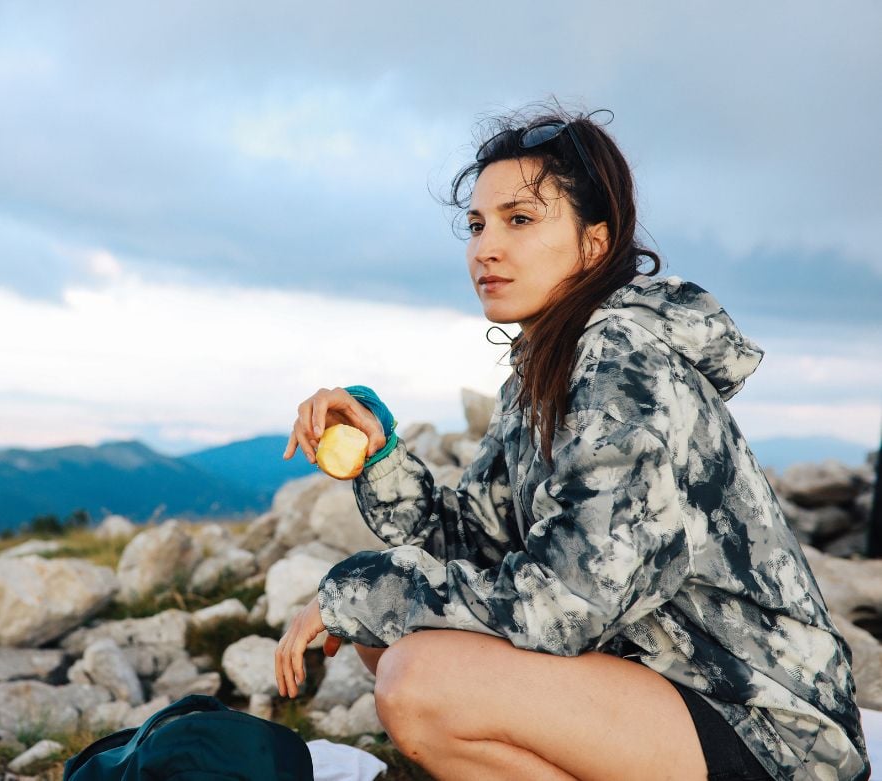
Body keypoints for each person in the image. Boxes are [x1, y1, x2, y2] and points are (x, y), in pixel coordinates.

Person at [275, 106, 870, 781]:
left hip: (764, 725)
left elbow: (565, 605)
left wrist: (360, 590)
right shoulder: (542, 369)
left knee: (419, 676)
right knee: (396, 640)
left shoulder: (621, 358)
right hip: (658, 680)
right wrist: (380, 457)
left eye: (519, 220)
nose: (484, 247)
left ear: (593, 243)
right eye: (476, 225)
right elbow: (475, 545)